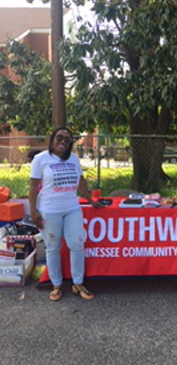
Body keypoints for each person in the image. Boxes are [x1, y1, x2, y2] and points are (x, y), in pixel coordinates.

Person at [29, 127, 101, 301]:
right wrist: (33, 212)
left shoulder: (74, 160)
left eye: (67, 140)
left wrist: (90, 200)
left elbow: (81, 181)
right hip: (49, 210)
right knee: (53, 247)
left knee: (76, 245)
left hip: (72, 209)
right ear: (52, 139)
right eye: (59, 137)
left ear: (70, 143)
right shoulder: (41, 159)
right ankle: (56, 285)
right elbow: (33, 186)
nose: (62, 142)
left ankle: (77, 283)